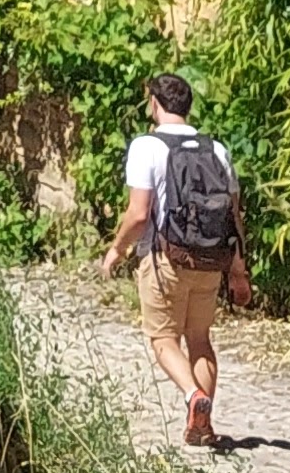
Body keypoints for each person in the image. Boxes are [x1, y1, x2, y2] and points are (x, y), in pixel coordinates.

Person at [103, 71, 247, 447]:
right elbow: (234, 213)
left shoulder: (146, 147)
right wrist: (238, 268)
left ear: (154, 103)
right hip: (210, 259)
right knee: (200, 340)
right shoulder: (215, 149)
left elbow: (138, 214)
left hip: (164, 257)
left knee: (164, 339)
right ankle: (203, 424)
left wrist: (117, 250)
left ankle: (192, 396)